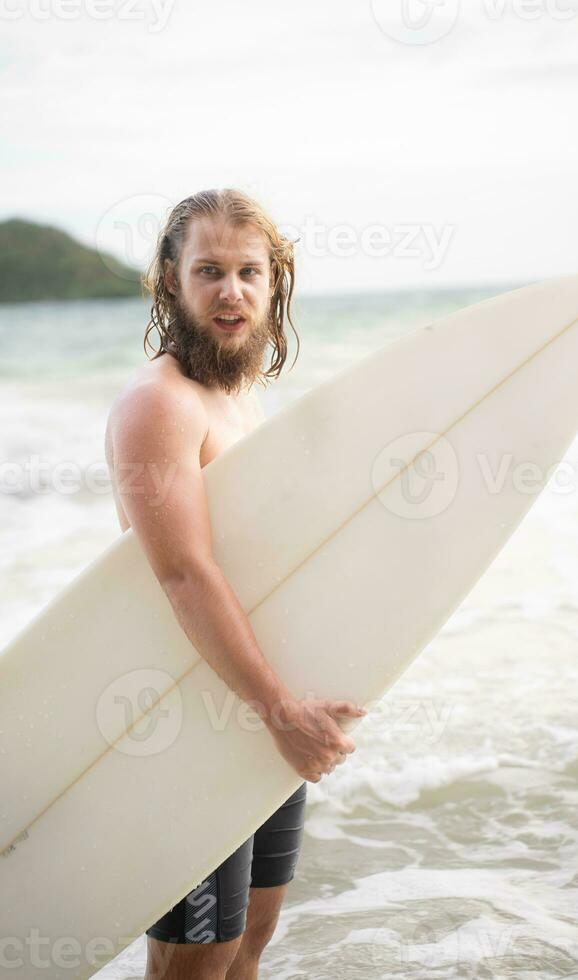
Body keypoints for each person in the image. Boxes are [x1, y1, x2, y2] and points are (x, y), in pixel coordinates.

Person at [104, 188, 366, 980]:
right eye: (209, 270)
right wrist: (279, 709)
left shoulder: (238, 395)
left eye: (250, 272)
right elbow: (184, 574)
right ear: (170, 281)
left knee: (252, 934)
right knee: (197, 956)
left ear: (274, 282)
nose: (232, 292)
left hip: (254, 705)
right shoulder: (160, 406)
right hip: (192, 716)